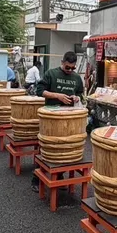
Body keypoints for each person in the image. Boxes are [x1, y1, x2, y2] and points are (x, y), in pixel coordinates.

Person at [32, 52, 85, 190]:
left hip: (68, 118)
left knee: (64, 148)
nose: (70, 71)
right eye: (67, 67)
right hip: (50, 116)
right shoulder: (51, 74)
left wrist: (76, 98)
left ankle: (59, 175)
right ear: (62, 62)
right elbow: (39, 91)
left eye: (73, 68)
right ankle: (36, 179)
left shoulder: (77, 78)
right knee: (46, 147)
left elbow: (80, 94)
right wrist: (58, 96)